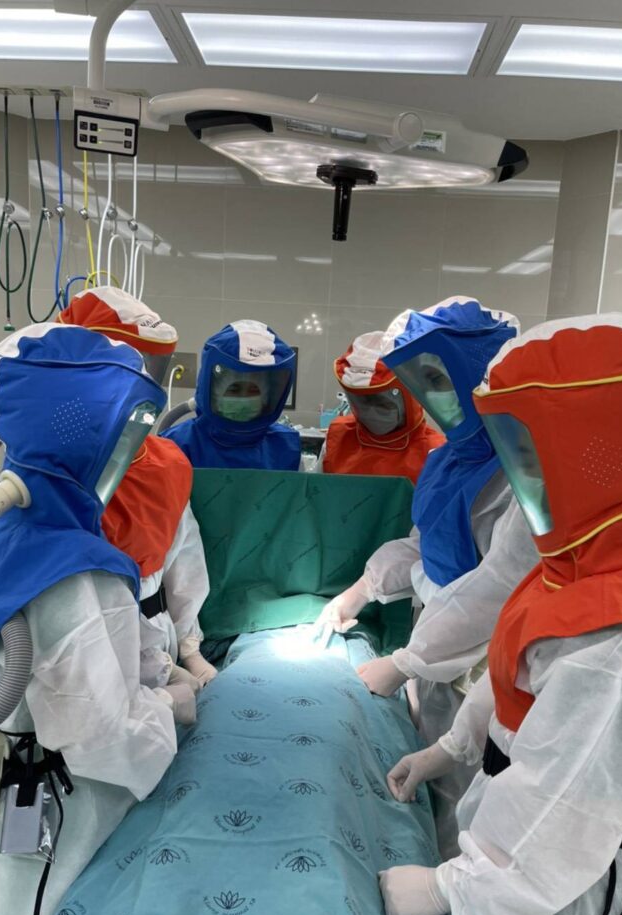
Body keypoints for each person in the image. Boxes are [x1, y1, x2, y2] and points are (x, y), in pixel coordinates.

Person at [379, 313, 622, 915]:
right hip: (519, 859)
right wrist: (450, 748)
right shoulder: (574, 565)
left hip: (561, 897)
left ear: (597, 454)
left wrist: (445, 889)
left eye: (531, 448)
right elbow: (516, 680)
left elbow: (566, 808)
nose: (518, 472)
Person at [0, 323, 192, 915]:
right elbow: (105, 743)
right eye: (122, 442)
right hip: (44, 810)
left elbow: (64, 661)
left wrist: (150, 665)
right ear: (84, 442)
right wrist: (168, 709)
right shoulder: (78, 572)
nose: (130, 460)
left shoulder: (5, 537)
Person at [318, 297, 537, 858]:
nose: (431, 395)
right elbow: (425, 545)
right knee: (423, 790)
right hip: (437, 651)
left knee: (468, 814)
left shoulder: (521, 471)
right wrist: (362, 590)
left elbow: (497, 589)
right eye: (422, 382)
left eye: (439, 378)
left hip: (481, 663)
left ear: (481, 375)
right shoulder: (451, 459)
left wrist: (406, 662)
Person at [57, 287, 216, 689]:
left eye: (147, 369)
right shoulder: (47, 467)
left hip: (153, 634)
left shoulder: (166, 464)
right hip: (73, 647)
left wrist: (190, 650)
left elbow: (184, 560)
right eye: (122, 369)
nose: (136, 389)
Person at [162, 319, 300, 470]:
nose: (244, 399)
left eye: (253, 390)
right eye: (234, 389)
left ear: (266, 397)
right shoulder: (177, 445)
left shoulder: (285, 446)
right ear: (213, 393)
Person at [320, 329, 445, 482]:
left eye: (382, 403)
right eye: (362, 400)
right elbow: (317, 492)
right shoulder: (338, 437)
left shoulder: (435, 452)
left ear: (410, 393)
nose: (370, 411)